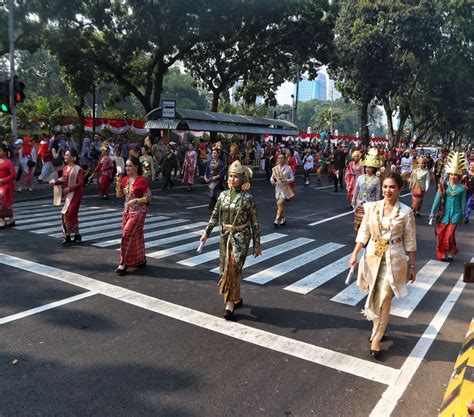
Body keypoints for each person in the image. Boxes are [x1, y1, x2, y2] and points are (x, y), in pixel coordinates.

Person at [349, 173, 417, 359]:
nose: (388, 190)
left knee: (385, 297)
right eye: (385, 186)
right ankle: (379, 327)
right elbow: (363, 232)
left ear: (400, 189)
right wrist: (355, 254)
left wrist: (412, 265)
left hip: (394, 260)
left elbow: (410, 240)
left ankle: (377, 337)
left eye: (392, 187)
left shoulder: (406, 212)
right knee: (374, 294)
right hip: (373, 257)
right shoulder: (371, 208)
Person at [199, 160, 261, 320]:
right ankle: (237, 298)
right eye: (230, 176)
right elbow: (214, 216)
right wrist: (206, 233)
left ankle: (230, 303)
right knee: (226, 268)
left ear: (242, 178)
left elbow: (254, 222)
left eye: (235, 177)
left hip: (241, 236)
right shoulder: (222, 195)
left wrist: (257, 244)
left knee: (233, 267)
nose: (232, 179)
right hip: (225, 235)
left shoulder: (248, 198)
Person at [115, 156, 152, 275]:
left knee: (127, 234)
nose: (127, 168)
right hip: (127, 211)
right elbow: (119, 195)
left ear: (136, 167)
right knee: (136, 235)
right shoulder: (125, 179)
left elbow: (148, 197)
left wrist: (136, 201)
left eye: (130, 165)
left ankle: (123, 263)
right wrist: (118, 182)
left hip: (138, 211)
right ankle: (140, 260)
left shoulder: (141, 180)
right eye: (126, 165)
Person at [430, 150, 467, 262]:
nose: (453, 177)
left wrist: (462, 217)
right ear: (448, 175)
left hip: (456, 214)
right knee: (441, 233)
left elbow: (463, 203)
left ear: (459, 176)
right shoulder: (444, 186)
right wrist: (432, 211)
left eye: (456, 175)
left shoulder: (462, 188)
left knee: (450, 234)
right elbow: (437, 199)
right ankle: (446, 252)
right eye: (451, 174)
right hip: (444, 214)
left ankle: (448, 252)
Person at [49, 149, 84, 245]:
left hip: (76, 195)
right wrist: (55, 182)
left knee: (66, 214)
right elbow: (64, 179)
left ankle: (67, 236)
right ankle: (77, 235)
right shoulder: (65, 168)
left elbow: (81, 183)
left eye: (67, 155)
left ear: (73, 157)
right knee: (73, 215)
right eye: (65, 155)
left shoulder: (78, 169)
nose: (65, 157)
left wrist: (70, 188)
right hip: (68, 195)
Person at [352, 149, 382, 232]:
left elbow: (377, 194)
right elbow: (356, 190)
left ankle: (364, 235)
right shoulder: (360, 178)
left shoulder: (376, 180)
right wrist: (353, 199)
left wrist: (377, 204)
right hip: (359, 202)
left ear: (374, 169)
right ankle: (358, 234)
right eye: (367, 167)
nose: (368, 169)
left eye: (370, 168)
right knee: (358, 219)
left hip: (370, 203)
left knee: (366, 220)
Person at [270, 153, 295, 227]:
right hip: (277, 188)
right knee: (280, 204)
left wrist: (286, 180)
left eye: (282, 158)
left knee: (280, 203)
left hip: (285, 188)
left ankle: (277, 219)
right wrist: (273, 181)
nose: (281, 159)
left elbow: (293, 178)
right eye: (279, 158)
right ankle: (283, 218)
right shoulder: (275, 168)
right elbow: (272, 177)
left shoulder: (288, 168)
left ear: (285, 159)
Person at [204, 145, 226, 212]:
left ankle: (212, 209)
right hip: (210, 180)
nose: (213, 154)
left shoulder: (221, 163)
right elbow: (207, 170)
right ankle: (217, 208)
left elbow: (223, 171)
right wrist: (205, 177)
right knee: (212, 194)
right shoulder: (209, 162)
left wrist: (217, 176)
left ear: (218, 154)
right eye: (213, 153)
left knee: (212, 193)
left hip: (216, 180)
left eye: (215, 153)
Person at [0, 143, 16, 228]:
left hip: (6, 185)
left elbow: (13, 175)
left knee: (3, 202)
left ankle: (2, 220)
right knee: (5, 203)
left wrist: (3, 180)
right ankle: (11, 219)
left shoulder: (8, 162)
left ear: (5, 152)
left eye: (0, 151)